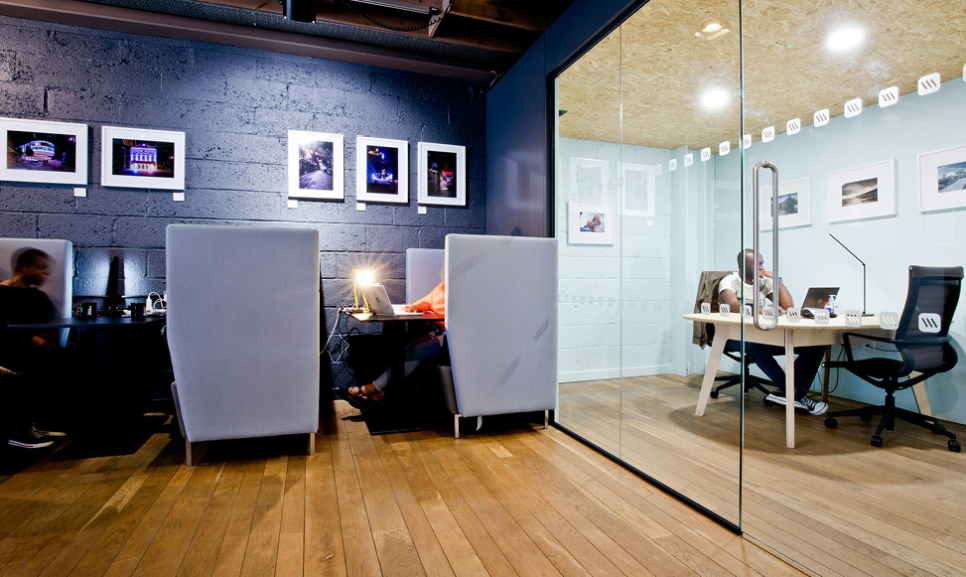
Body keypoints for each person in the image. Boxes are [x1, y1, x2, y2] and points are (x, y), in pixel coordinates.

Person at [718, 249, 828, 416]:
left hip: (764, 333)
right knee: (754, 344)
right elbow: (732, 305)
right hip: (734, 335)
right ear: (742, 266)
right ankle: (796, 394)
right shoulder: (730, 281)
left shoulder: (763, 282)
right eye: (757, 264)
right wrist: (761, 310)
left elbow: (788, 306)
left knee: (816, 344)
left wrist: (777, 280)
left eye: (762, 263)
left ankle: (785, 394)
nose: (762, 267)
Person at [0, 248, 69, 449]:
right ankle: (19, 431)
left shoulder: (37, 297)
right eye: (42, 269)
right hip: (12, 351)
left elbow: (45, 332)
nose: (46, 275)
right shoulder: (9, 294)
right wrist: (43, 344)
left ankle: (37, 424)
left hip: (25, 352)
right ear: (24, 267)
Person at [343, 281, 446, 404]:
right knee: (409, 348)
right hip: (441, 333)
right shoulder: (444, 286)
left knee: (417, 351)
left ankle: (372, 389)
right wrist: (416, 307)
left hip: (456, 338)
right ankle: (382, 393)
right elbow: (427, 301)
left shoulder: (465, 289)